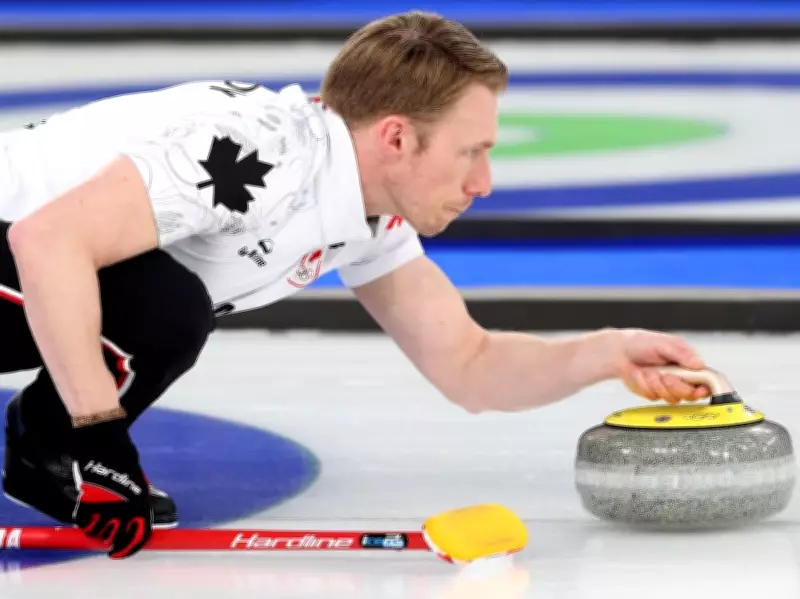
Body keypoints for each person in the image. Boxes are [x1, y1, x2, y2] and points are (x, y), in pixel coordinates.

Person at [0, 11, 711, 559]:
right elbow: (45, 237)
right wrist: (101, 434)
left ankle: (44, 447)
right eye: (472, 153)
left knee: (164, 304)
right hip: (19, 244)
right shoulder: (261, 153)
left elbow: (468, 364)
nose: (483, 184)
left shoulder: (364, 214)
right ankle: (54, 445)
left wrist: (607, 353)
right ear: (397, 138)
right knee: (166, 306)